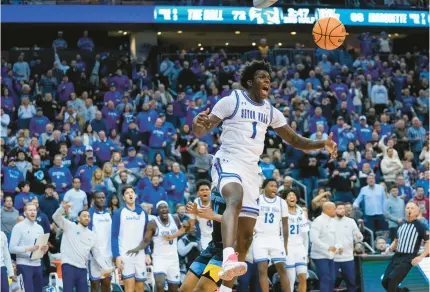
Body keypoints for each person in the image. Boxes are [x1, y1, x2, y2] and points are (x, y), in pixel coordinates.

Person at [192, 60, 337, 286]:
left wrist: (322, 144)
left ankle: (226, 285)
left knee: (247, 236)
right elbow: (202, 129)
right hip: (228, 160)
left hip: (251, 170)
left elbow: (294, 140)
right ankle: (228, 256)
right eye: (261, 76)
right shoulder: (232, 100)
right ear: (250, 81)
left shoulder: (270, 110)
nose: (267, 80)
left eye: (268, 78)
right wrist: (196, 121)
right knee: (235, 199)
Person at [127, 201, 186, 292]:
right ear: (157, 211)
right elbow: (146, 240)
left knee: (173, 288)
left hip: (173, 259)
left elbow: (183, 230)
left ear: (168, 209)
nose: (164, 209)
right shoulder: (153, 223)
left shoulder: (175, 218)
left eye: (165, 207)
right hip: (159, 258)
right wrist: (136, 249)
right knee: (159, 284)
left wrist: (187, 225)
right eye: (161, 208)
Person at [53, 202, 112, 292]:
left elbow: (97, 254)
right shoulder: (69, 226)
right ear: (78, 218)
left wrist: (106, 268)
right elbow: (55, 217)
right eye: (84, 216)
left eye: (88, 216)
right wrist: (62, 208)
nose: (87, 218)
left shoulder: (92, 235)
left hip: (82, 269)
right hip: (69, 266)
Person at [181, 188, 225, 292]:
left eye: (206, 189)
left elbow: (240, 221)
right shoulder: (215, 189)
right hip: (211, 245)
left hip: (226, 248)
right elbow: (192, 224)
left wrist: (213, 216)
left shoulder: (236, 188)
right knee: (185, 289)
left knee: (202, 289)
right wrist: (195, 213)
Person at [382, 202, 429, 292]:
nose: (409, 210)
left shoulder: (421, 226)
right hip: (396, 256)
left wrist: (421, 256)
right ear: (405, 210)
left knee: (393, 280)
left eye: (412, 208)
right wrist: (390, 248)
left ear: (417, 211)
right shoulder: (401, 225)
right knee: (385, 281)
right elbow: (396, 240)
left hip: (408, 258)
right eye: (407, 208)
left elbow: (429, 242)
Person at [253, 178, 290, 292]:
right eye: (271, 185)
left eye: (275, 186)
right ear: (264, 188)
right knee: (262, 270)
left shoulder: (281, 202)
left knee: (282, 269)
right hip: (260, 237)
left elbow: (285, 225)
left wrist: (285, 244)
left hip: (275, 238)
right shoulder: (257, 200)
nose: (274, 188)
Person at [111, 185, 149, 292]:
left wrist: (147, 253)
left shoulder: (143, 213)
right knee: (129, 288)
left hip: (140, 255)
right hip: (125, 254)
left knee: (140, 288)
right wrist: (117, 256)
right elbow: (114, 236)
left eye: (132, 192)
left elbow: (146, 235)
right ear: (123, 197)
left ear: (135, 195)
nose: (130, 194)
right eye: (127, 193)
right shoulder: (119, 213)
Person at [9, 203, 48, 292]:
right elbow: (11, 248)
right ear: (25, 213)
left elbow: (39, 248)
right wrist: (28, 248)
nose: (33, 212)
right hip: (24, 265)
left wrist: (44, 250)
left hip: (38, 264)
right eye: (30, 210)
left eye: (34, 210)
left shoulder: (40, 228)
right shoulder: (18, 227)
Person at [310, 202, 340, 292]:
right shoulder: (318, 221)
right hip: (320, 255)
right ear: (327, 210)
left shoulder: (333, 221)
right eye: (334, 209)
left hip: (330, 255)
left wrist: (339, 246)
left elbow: (336, 237)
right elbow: (313, 239)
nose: (336, 211)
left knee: (332, 279)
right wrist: (327, 247)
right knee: (326, 279)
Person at [333, 202, 363, 292]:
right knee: (332, 283)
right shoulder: (329, 222)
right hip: (334, 258)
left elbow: (358, 237)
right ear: (334, 210)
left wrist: (358, 235)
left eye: (343, 208)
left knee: (351, 283)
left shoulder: (351, 221)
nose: (342, 210)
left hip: (348, 257)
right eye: (339, 208)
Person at [88, 192, 113, 292]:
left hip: (108, 255)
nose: (102, 199)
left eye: (103, 197)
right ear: (94, 200)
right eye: (99, 198)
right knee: (95, 285)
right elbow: (87, 235)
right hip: (95, 255)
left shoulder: (108, 213)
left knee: (107, 284)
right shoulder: (90, 213)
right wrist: (92, 252)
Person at [285, 191, 309, 292]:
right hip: (288, 247)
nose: (292, 197)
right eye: (289, 195)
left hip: (300, 248)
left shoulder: (301, 213)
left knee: (303, 277)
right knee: (290, 278)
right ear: (285, 199)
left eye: (294, 195)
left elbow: (305, 235)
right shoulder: (282, 212)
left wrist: (306, 252)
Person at [186, 179, 213, 250]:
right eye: (202, 190)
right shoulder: (195, 203)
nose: (205, 191)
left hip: (219, 237)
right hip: (205, 238)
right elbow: (190, 224)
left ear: (211, 191)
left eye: (207, 189)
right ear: (198, 193)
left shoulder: (216, 201)